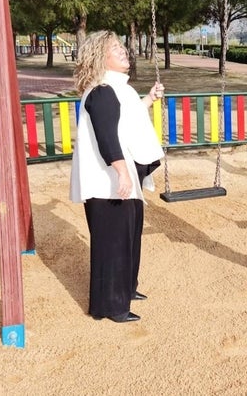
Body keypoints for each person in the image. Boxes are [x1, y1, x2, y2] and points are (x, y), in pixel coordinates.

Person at [69, 30, 165, 323]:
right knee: (112, 244)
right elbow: (106, 136)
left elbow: (128, 116)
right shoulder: (101, 92)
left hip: (119, 178)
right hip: (107, 182)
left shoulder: (115, 89)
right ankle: (111, 306)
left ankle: (125, 289)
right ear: (101, 58)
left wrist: (149, 99)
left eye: (121, 46)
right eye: (115, 49)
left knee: (128, 238)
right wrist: (122, 171)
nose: (123, 51)